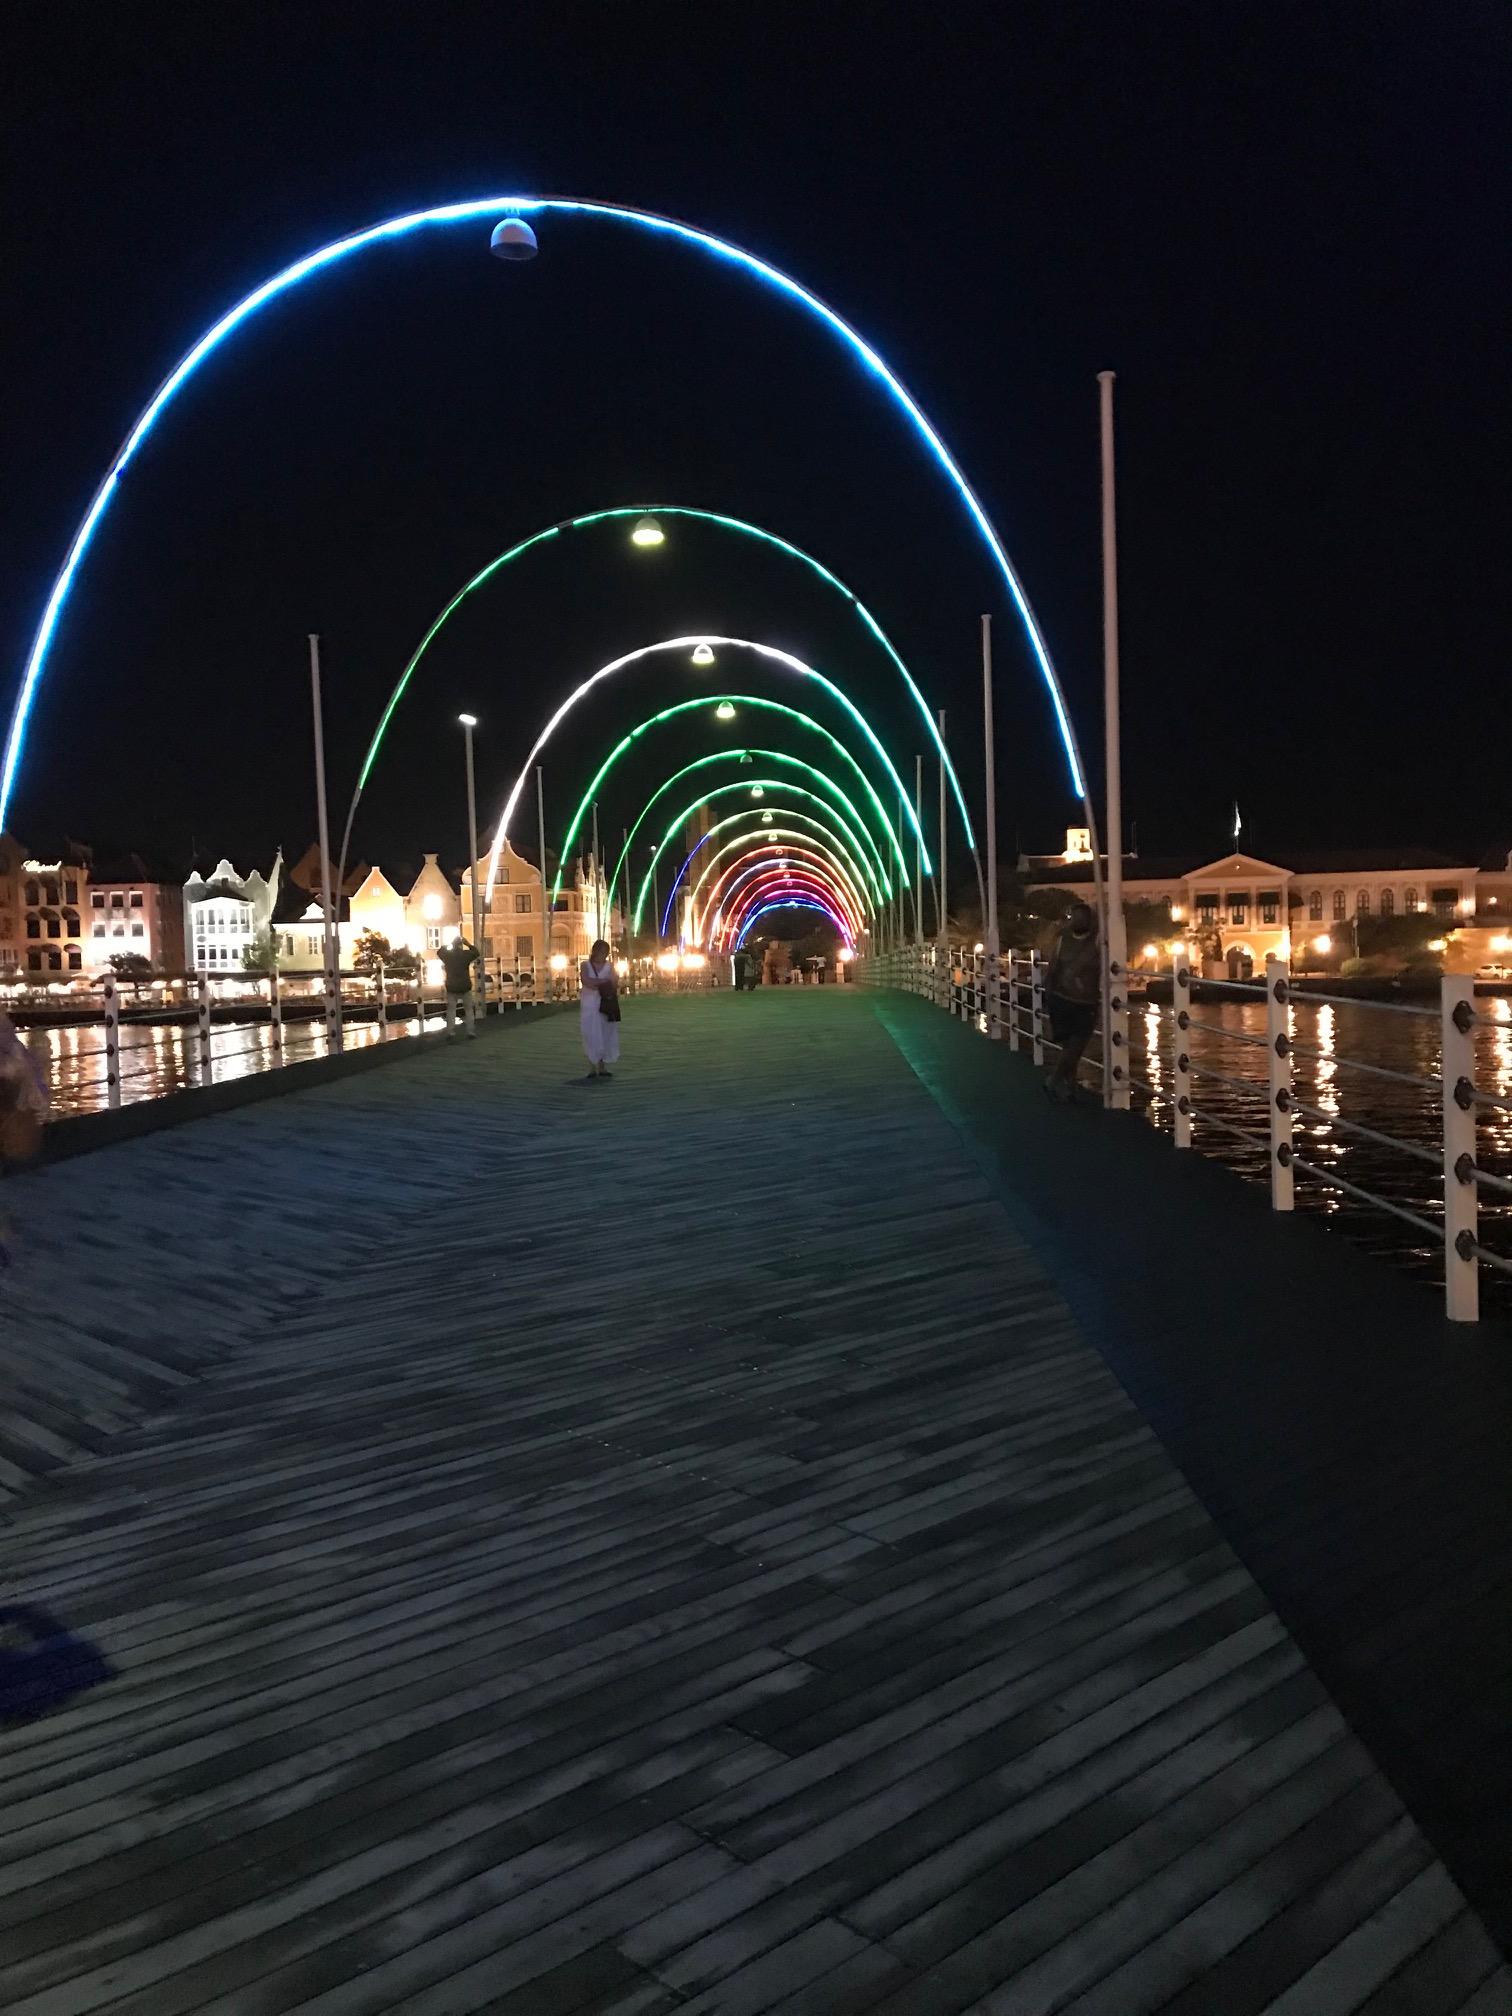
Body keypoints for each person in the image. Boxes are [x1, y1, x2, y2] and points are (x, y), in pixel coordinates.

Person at [1045, 903, 1100, 1102]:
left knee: (1073, 1046)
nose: (1077, 921)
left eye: (1081, 918)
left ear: (1089, 920)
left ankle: (1068, 1086)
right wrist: (1048, 993)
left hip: (1086, 1002)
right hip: (1062, 999)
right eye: (1074, 918)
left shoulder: (1098, 940)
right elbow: (1052, 967)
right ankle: (1056, 1081)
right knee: (1072, 1045)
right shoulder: (1062, 940)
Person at [579, 939, 620, 1079]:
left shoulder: (610, 966)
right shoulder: (585, 965)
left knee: (605, 1033)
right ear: (595, 951)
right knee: (590, 1033)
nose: (604, 954)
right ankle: (592, 1066)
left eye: (606, 952)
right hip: (590, 1004)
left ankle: (602, 1065)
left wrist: (598, 982)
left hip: (606, 1004)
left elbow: (614, 981)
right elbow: (586, 981)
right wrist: (604, 982)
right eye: (602, 951)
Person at [437, 937, 479, 1029]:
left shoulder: (448, 955)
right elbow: (476, 953)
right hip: (465, 986)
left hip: (452, 987)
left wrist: (448, 945)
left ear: (453, 945)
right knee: (469, 1010)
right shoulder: (465, 955)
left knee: (451, 1010)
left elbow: (439, 952)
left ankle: (450, 1031)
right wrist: (468, 944)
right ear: (461, 945)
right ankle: (470, 1031)